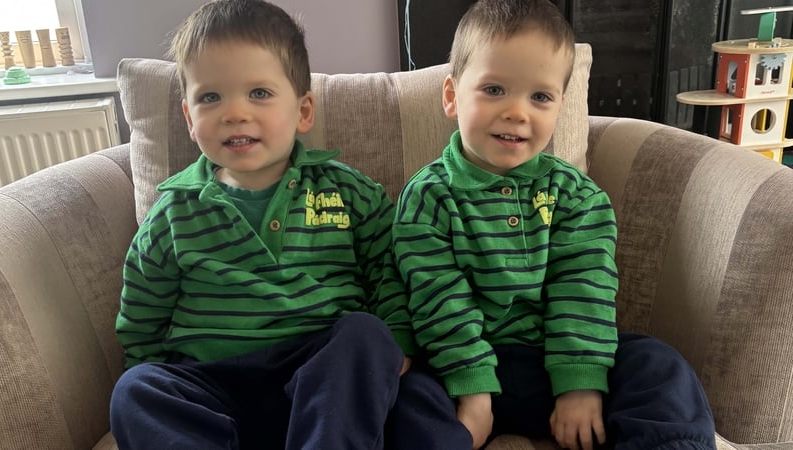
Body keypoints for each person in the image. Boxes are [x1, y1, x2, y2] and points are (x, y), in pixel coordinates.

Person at [109, 1, 471, 448]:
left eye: (258, 93)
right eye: (210, 97)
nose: (234, 112)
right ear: (189, 118)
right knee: (135, 390)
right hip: (215, 385)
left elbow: (389, 272)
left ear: (303, 112)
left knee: (370, 337)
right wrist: (148, 371)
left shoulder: (350, 193)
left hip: (326, 383)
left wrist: (393, 340)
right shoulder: (171, 216)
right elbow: (142, 319)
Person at [391, 1, 717, 449]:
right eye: (494, 89)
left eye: (539, 97)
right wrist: (473, 389)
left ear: (560, 106)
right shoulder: (427, 196)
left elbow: (583, 287)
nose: (517, 112)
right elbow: (436, 298)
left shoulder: (577, 196)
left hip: (555, 361)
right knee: (400, 393)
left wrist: (580, 385)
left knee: (659, 364)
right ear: (451, 96)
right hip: (458, 369)